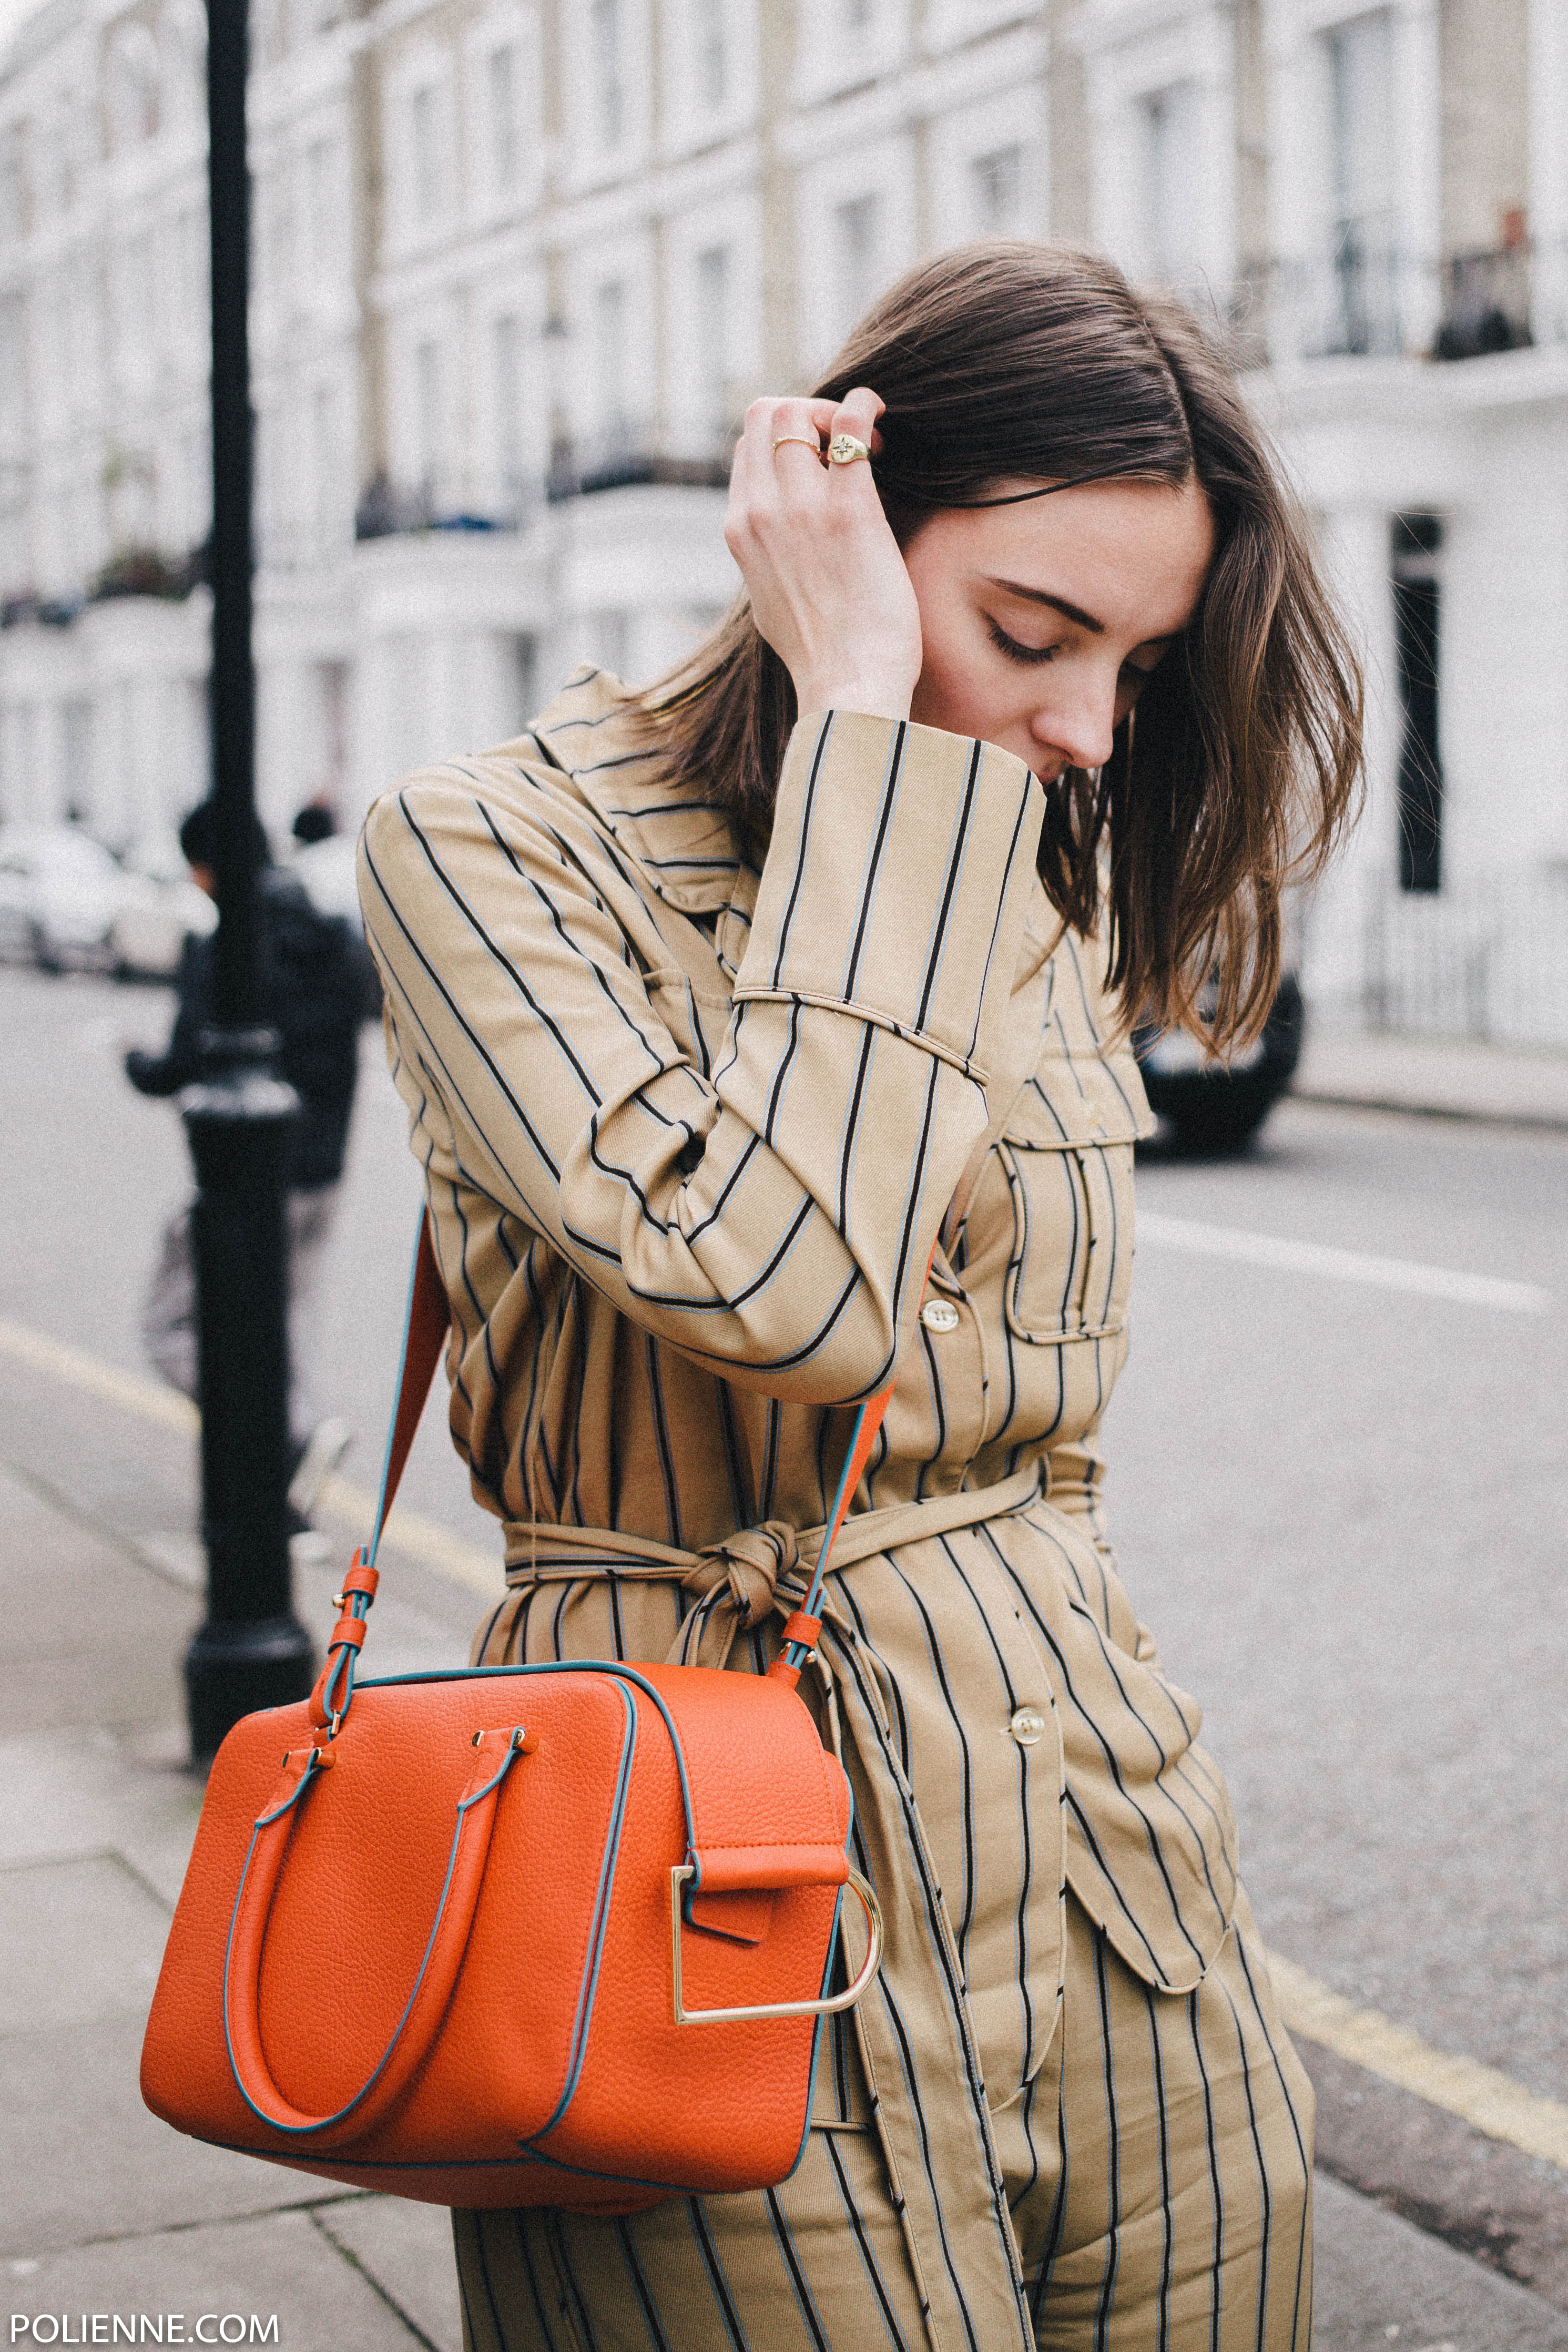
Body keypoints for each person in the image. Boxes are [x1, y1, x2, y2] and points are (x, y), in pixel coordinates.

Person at [357, 245, 1362, 2350]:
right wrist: (863, 730)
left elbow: (1033, 1422)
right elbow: (789, 1285)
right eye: (1029, 632)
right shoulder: (493, 849)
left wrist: (941, 746)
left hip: (1106, 1857)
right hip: (682, 1858)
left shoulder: (1025, 841)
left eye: (1141, 666)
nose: (1087, 728)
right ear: (838, 528)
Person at [127, 798, 368, 1519]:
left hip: (247, 1178)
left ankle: (281, 1442)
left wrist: (136, 1063)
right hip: (322, 1169)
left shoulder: (226, 946)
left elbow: (179, 1061)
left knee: (169, 1326)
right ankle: (289, 1478)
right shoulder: (332, 939)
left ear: (207, 867)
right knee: (288, 1319)